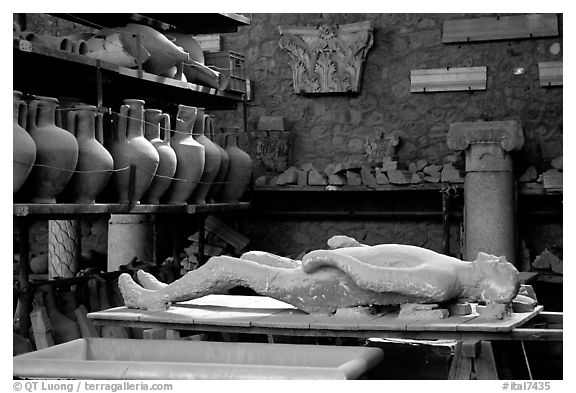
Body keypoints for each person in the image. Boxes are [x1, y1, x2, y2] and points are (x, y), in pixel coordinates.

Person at [119, 235, 520, 314]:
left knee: (227, 266)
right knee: (256, 254)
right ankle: (172, 288)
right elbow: (391, 263)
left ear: (489, 286)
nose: (500, 257)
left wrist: (337, 261)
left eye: (502, 267)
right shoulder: (454, 268)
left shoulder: (443, 282)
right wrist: (356, 248)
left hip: (323, 287)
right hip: (328, 274)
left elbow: (376, 281)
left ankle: (154, 299)